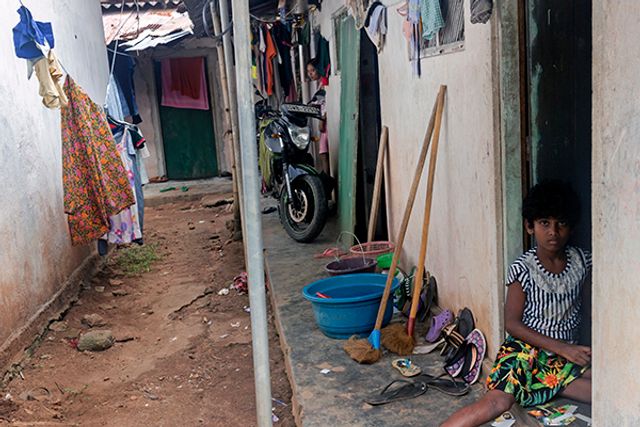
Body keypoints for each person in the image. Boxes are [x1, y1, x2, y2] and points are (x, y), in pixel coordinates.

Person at [442, 180, 592, 427]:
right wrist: (563, 348)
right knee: (497, 403)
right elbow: (512, 324)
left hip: (561, 359)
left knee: (609, 387)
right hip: (524, 352)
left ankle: (548, 384)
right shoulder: (523, 268)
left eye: (561, 223)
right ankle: (543, 383)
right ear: (530, 226)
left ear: (572, 226)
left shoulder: (582, 262)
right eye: (544, 223)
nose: (553, 232)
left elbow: (590, 311)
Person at [306, 58, 330, 175]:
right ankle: (326, 176)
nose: (310, 74)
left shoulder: (324, 84)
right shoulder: (320, 84)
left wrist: (322, 120)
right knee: (323, 152)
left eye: (313, 70)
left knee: (324, 152)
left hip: (325, 123)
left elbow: (326, 103)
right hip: (323, 123)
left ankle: (327, 177)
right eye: (308, 71)